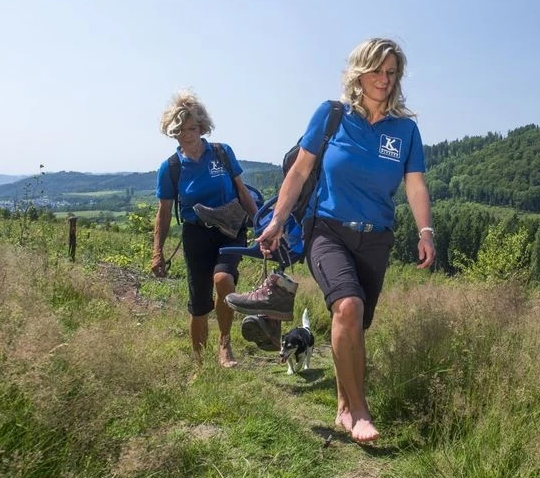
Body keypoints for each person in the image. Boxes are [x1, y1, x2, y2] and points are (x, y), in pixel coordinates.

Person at [251, 38, 436, 442]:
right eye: (377, 71)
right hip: (328, 230)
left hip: (376, 239)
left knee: (354, 324)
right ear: (358, 72)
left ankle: (341, 405)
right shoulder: (331, 116)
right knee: (348, 306)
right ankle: (360, 409)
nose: (384, 80)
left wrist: (426, 231)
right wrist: (278, 219)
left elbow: (416, 186)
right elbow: (299, 173)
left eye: (391, 73)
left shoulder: (405, 130)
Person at [151, 89, 258, 368]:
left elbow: (242, 192)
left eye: (193, 128)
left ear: (202, 127)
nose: (188, 135)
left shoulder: (221, 153)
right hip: (196, 234)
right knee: (198, 304)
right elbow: (163, 214)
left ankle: (225, 344)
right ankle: (199, 364)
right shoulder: (171, 168)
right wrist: (157, 252)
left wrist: (262, 225)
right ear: (173, 133)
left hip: (230, 229)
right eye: (181, 130)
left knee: (224, 281)